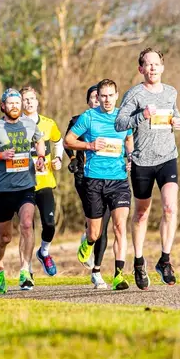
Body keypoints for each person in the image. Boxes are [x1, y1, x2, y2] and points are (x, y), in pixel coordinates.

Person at [114, 48, 180, 290]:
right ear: (140, 69)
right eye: (148, 64)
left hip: (168, 157)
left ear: (162, 68)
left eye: (157, 64)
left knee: (170, 207)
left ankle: (165, 260)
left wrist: (178, 121)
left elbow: (174, 116)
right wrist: (141, 115)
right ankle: (139, 261)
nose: (153, 68)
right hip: (143, 161)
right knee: (142, 214)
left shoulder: (171, 92)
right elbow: (119, 123)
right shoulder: (134, 95)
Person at [65, 79, 133, 291]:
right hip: (93, 180)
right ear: (98, 97)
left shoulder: (124, 117)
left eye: (110, 95)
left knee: (120, 226)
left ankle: (119, 275)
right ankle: (87, 242)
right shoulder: (88, 117)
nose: (106, 100)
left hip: (119, 180)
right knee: (95, 233)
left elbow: (129, 138)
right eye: (103, 96)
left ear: (116, 95)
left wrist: (129, 156)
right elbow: (68, 140)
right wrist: (89, 145)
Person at [0, 88, 46, 293]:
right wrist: (0, 156)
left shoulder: (29, 123)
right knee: (5, 238)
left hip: (26, 185)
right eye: (11, 103)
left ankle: (25, 270)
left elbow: (39, 140)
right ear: (3, 106)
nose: (15, 106)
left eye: (17, 103)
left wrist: (41, 157)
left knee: (27, 225)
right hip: (2, 189)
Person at [65, 84, 111, 288]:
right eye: (93, 97)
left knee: (105, 225)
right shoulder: (79, 120)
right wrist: (74, 158)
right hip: (84, 175)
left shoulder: (111, 120)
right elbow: (68, 143)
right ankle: (89, 234)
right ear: (88, 101)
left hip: (110, 176)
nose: (97, 100)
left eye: (98, 97)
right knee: (95, 220)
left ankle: (97, 271)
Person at [20, 85, 62, 277]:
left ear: (37, 101)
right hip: (23, 184)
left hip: (45, 181)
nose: (28, 102)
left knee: (50, 223)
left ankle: (44, 252)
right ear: (20, 103)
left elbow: (58, 140)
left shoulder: (48, 123)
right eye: (25, 99)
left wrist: (58, 158)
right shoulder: (16, 125)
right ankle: (26, 270)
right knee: (27, 227)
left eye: (31, 98)